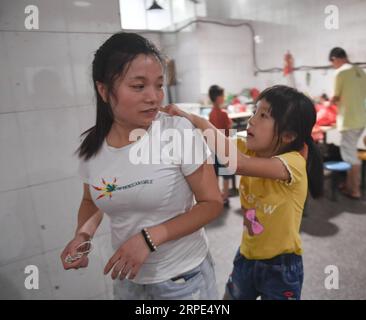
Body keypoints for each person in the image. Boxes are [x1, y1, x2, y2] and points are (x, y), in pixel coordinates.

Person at [60, 32, 223, 300]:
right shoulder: (92, 145)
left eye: (159, 85)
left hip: (182, 280)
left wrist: (149, 238)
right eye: (138, 86)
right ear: (104, 90)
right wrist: (83, 235)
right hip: (129, 282)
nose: (154, 97)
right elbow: (91, 201)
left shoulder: (176, 130)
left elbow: (212, 203)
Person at [161, 85, 324, 300]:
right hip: (246, 256)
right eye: (255, 111)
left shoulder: (292, 163)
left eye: (263, 115)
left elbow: (238, 164)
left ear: (287, 135)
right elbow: (215, 143)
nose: (252, 119)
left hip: (281, 266)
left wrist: (199, 121)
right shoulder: (247, 145)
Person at [329, 47, 366, 199]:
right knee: (351, 154)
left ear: (335, 59)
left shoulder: (340, 72)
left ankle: (354, 190)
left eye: (332, 63)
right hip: (361, 119)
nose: (333, 66)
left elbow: (336, 97)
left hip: (349, 120)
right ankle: (349, 185)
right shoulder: (360, 71)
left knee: (350, 157)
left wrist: (328, 102)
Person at [208, 85, 234, 207]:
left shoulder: (211, 113)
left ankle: (217, 195)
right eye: (223, 96)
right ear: (218, 98)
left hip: (213, 147)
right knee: (226, 172)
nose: (224, 98)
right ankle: (225, 196)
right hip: (223, 147)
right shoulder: (223, 113)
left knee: (216, 172)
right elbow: (228, 131)